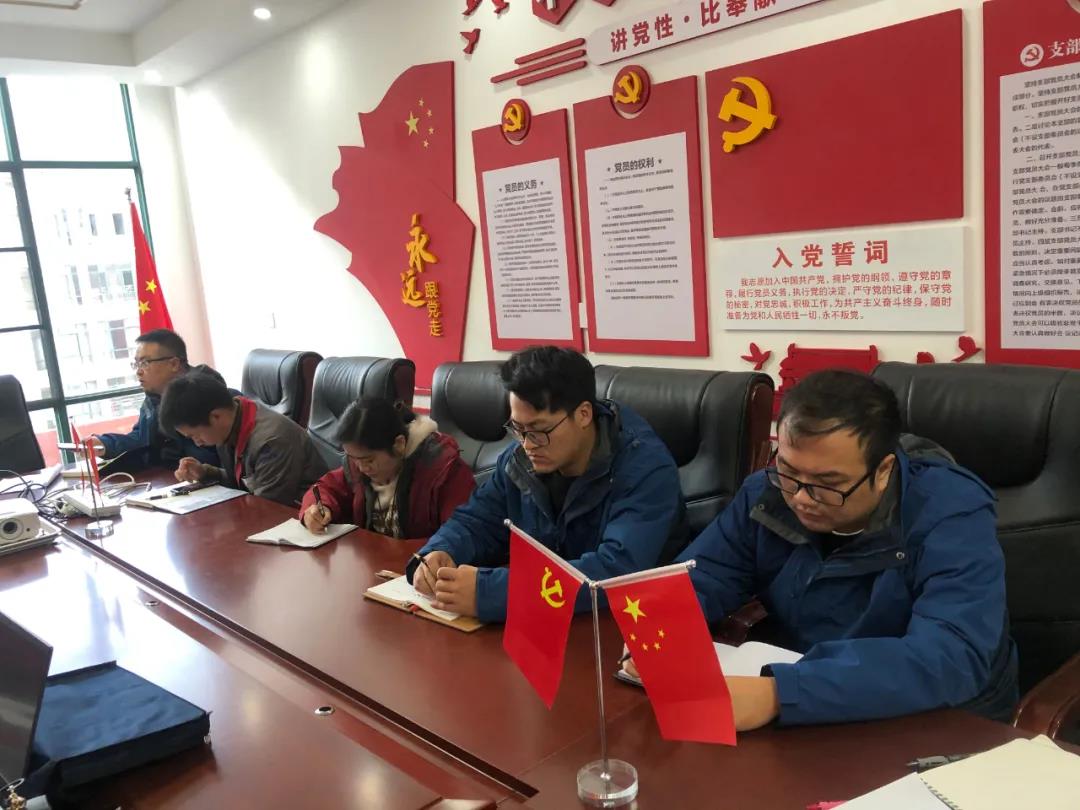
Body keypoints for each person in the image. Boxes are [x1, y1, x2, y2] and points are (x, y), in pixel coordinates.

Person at [631, 369, 1017, 732]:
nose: (801, 497)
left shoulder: (950, 514)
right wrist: (657, 632)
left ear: (883, 471)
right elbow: (703, 575)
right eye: (788, 470)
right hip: (809, 695)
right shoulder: (767, 493)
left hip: (938, 718)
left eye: (827, 483)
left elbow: (950, 657)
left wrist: (781, 694)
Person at [407, 346, 687, 622]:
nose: (527, 444)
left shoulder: (645, 469)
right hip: (548, 619)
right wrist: (439, 551)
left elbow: (615, 571)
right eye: (518, 429)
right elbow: (478, 519)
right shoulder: (520, 459)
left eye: (539, 430)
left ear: (583, 414)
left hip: (630, 623)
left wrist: (491, 593)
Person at [298, 398, 474, 539]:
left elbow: (462, 531)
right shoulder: (358, 463)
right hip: (375, 561)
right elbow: (327, 488)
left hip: (420, 566)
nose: (361, 468)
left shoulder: (443, 470)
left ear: (399, 444)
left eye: (369, 460)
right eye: (353, 458)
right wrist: (317, 510)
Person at [158, 369, 327, 507]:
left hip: (308, 520)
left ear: (215, 416)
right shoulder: (232, 420)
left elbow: (267, 506)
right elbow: (243, 483)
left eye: (195, 435)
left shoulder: (272, 441)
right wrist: (204, 472)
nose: (197, 442)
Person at [88, 329, 227, 470]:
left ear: (174, 364)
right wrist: (103, 444)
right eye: (136, 364)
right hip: (174, 476)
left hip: (207, 477)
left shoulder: (204, 394)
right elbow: (141, 438)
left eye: (145, 363)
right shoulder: (155, 396)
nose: (138, 371)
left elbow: (219, 460)